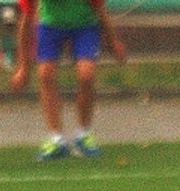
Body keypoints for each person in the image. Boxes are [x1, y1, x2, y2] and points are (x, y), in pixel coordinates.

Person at [10, 0, 126, 161]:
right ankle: (56, 139)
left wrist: (113, 42)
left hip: (84, 25)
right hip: (50, 26)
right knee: (45, 74)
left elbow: (100, 10)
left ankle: (83, 135)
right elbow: (26, 19)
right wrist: (23, 67)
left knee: (86, 74)